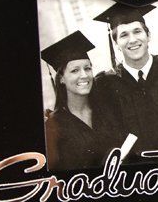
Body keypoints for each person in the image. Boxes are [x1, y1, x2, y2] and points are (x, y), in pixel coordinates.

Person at [94, 3, 158, 160]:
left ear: (148, 35)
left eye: (137, 31)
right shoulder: (106, 84)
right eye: (124, 35)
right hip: (135, 168)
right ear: (116, 43)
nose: (132, 40)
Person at [41, 31, 122, 171]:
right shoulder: (53, 126)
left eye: (87, 68)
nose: (84, 75)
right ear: (61, 78)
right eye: (75, 71)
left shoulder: (107, 111)